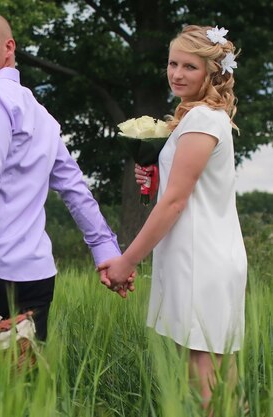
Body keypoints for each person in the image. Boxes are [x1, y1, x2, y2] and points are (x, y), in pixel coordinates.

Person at [0, 12, 122, 342]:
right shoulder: (41, 115)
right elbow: (74, 187)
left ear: (8, 48)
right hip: (36, 278)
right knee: (18, 387)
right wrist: (106, 252)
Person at [99, 25, 247, 410]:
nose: (177, 74)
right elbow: (181, 191)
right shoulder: (203, 119)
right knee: (217, 371)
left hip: (201, 259)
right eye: (172, 63)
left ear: (212, 73)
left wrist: (126, 260)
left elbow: (176, 203)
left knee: (203, 375)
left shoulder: (201, 121)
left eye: (190, 67)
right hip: (206, 254)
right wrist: (156, 177)